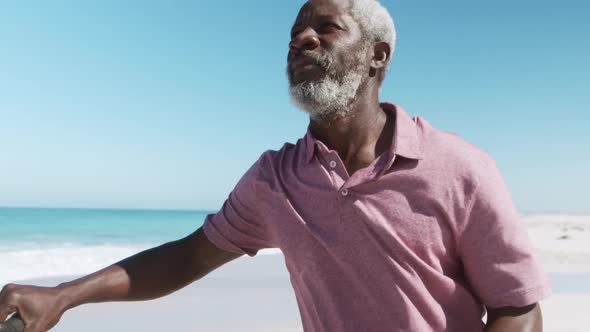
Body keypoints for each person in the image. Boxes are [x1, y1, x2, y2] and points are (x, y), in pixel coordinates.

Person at [0, 0, 551, 331]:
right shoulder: (276, 181)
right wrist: (63, 296)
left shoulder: (459, 168)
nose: (301, 40)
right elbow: (185, 257)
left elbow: (518, 309)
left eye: (326, 28)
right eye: (293, 36)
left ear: (378, 56)